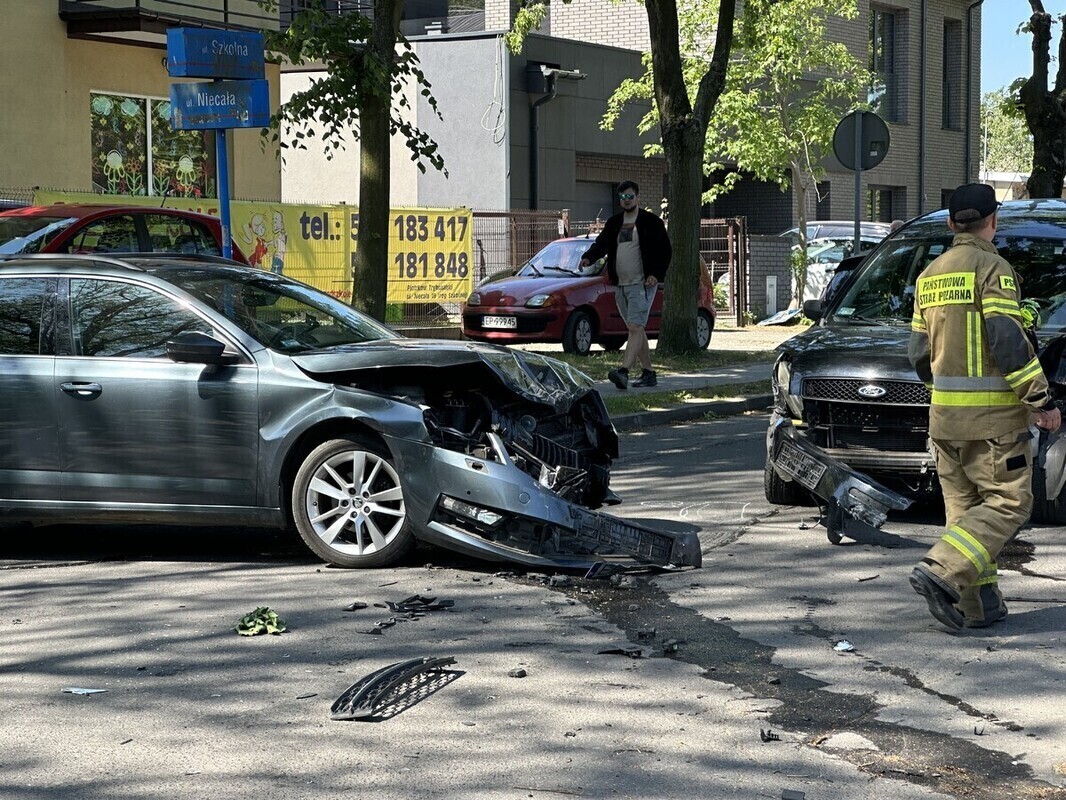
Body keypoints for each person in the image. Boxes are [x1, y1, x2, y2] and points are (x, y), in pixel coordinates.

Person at [907, 183, 1061, 630]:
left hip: (945, 422)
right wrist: (1041, 400)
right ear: (994, 221)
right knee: (1010, 503)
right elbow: (1008, 341)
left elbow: (919, 356)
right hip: (993, 422)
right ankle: (941, 570)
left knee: (966, 512)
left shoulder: (929, 276)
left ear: (952, 224)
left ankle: (977, 607)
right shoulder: (994, 269)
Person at [579, 180, 672, 390]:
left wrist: (655, 275)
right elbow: (601, 243)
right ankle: (649, 373)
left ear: (637, 197)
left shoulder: (651, 222)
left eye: (630, 196)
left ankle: (623, 372)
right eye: (622, 197)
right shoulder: (614, 223)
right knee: (635, 329)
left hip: (642, 284)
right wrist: (589, 258)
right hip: (620, 284)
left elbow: (665, 251)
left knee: (635, 327)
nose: (626, 200)